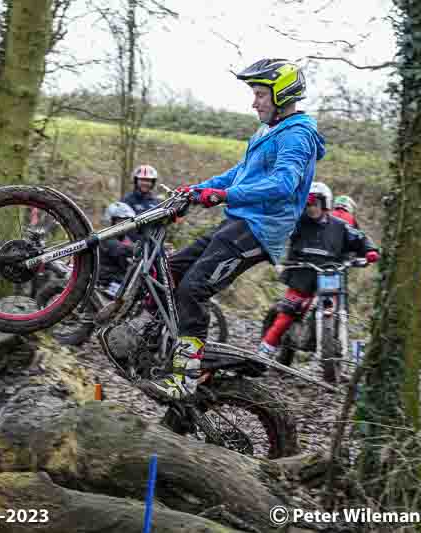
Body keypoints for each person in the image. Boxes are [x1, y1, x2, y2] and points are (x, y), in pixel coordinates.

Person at [139, 58, 326, 401]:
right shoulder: (268, 131)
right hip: (238, 222)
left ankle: (185, 376)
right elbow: (238, 174)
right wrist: (195, 190)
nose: (253, 102)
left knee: (193, 290)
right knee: (168, 271)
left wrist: (223, 195)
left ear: (281, 95)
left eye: (259, 94)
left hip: (260, 229)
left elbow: (283, 185)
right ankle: (157, 342)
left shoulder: (298, 136)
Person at [258, 182, 379, 364]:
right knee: (287, 313)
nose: (311, 209)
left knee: (336, 304)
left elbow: (359, 237)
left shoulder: (340, 226)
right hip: (302, 274)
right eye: (307, 205)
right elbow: (279, 232)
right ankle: (263, 352)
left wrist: (370, 250)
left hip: (330, 274)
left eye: (315, 204)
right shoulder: (298, 223)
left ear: (325, 204)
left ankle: (332, 348)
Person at [99, 201, 137, 295]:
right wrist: (141, 249)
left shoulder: (125, 238)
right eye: (120, 221)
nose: (124, 224)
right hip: (105, 282)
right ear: (111, 221)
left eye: (126, 221)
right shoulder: (105, 237)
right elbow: (120, 250)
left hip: (119, 280)